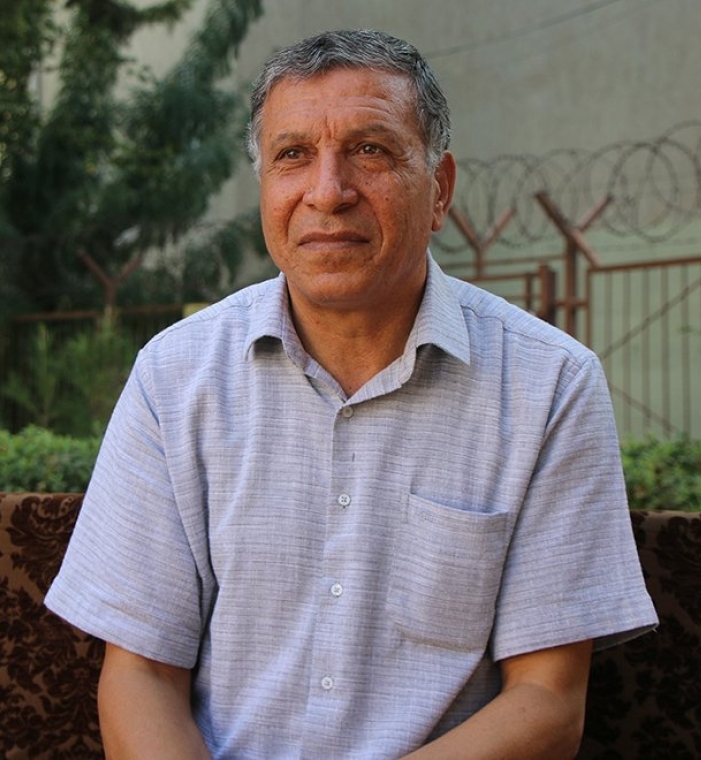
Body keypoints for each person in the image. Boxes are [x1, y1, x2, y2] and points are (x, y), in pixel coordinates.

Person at [46, 29, 657, 759]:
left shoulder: (548, 385)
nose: (328, 192)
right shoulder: (174, 378)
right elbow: (140, 675)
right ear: (265, 187)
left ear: (440, 189)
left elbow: (547, 703)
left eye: (370, 150)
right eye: (292, 155)